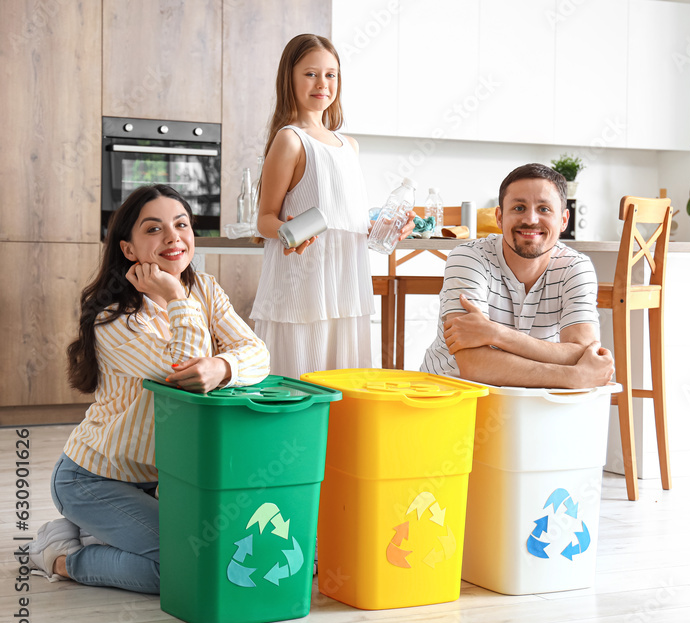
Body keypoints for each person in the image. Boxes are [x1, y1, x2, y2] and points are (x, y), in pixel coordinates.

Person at [27, 185, 270, 594]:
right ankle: (61, 555)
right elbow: (184, 382)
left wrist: (223, 365)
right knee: (184, 570)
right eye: (154, 229)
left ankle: (103, 532)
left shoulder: (206, 289)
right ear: (128, 249)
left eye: (181, 224)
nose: (173, 237)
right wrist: (175, 295)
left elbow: (258, 354)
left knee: (225, 555)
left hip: (167, 480)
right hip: (95, 479)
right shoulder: (114, 319)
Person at [251, 33, 413, 378]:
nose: (322, 83)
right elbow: (263, 219)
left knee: (345, 385)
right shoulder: (290, 139)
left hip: (347, 284)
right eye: (310, 74)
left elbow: (348, 220)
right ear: (289, 79)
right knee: (298, 382)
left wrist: (386, 227)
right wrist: (286, 230)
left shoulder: (349, 145)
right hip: (303, 286)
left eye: (331, 74)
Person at [420, 163, 614, 388]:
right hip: (452, 397)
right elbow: (474, 365)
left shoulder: (575, 267)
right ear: (499, 217)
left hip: (533, 402)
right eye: (519, 208)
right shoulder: (468, 257)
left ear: (563, 220)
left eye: (544, 209)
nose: (531, 219)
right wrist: (572, 376)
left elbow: (585, 353)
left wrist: (496, 334)